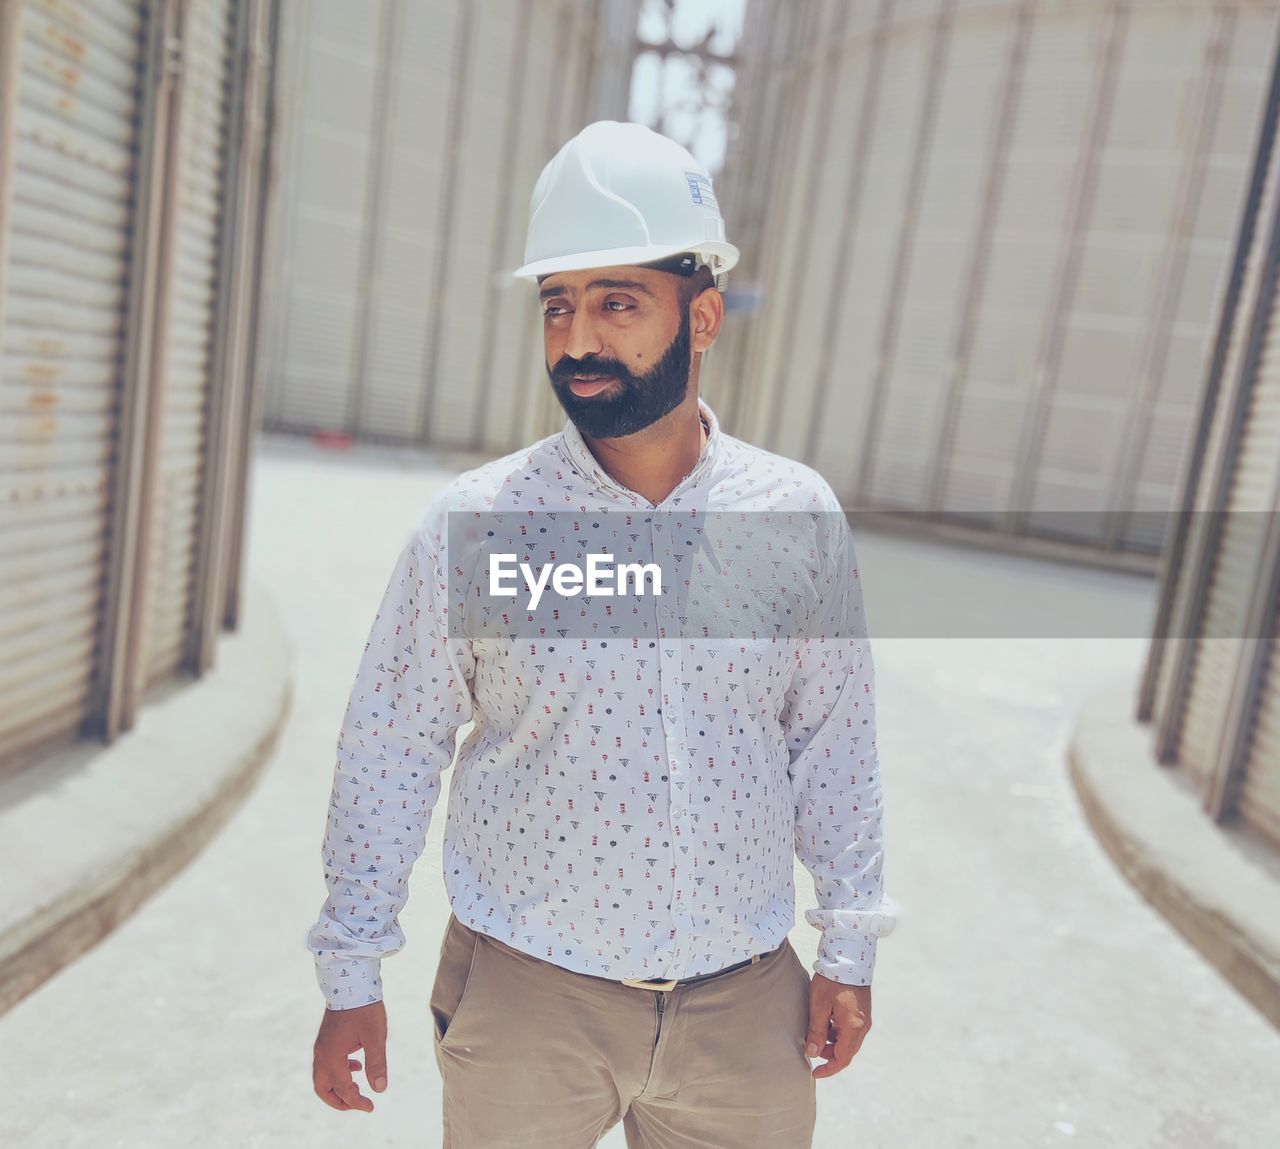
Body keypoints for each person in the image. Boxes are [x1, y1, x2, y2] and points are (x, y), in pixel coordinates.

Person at [306, 120, 894, 1148]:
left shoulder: (791, 516)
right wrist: (351, 969)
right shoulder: (476, 526)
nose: (578, 340)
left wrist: (846, 946)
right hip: (527, 1000)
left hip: (742, 1009)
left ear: (701, 316)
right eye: (557, 307)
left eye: (617, 303)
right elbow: (391, 747)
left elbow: (831, 742)